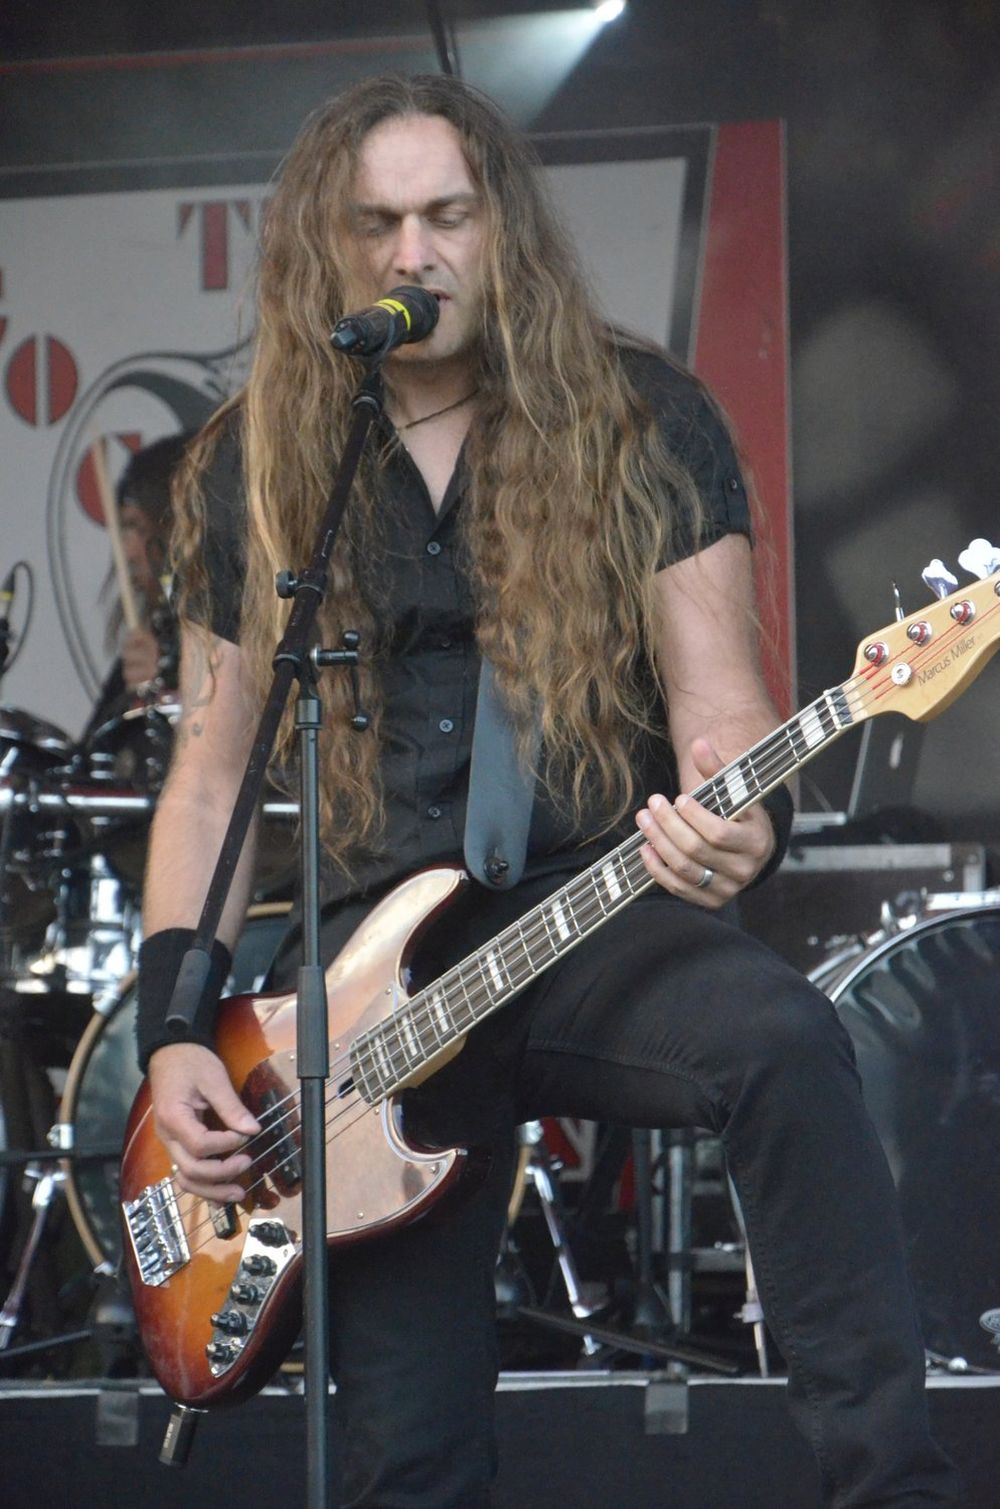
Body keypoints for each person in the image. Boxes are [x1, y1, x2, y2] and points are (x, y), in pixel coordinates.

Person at [136, 74, 959, 1508]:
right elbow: (208, 779)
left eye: (447, 215)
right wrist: (169, 1033)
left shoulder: (643, 422)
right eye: (377, 224)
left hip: (593, 919)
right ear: (326, 248)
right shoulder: (254, 466)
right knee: (409, 1457)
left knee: (781, 1037)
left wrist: (738, 824)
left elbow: (723, 718)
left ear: (502, 224)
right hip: (363, 1007)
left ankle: (893, 1483)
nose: (415, 253)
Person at [81, 433, 186, 743]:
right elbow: (90, 758)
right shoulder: (149, 637)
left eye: (138, 528)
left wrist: (168, 688)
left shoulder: (231, 641)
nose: (126, 552)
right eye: (124, 528)